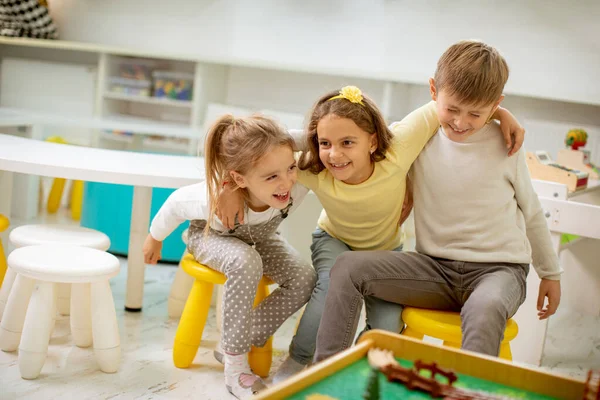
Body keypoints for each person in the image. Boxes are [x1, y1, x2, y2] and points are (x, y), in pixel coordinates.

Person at [217, 85, 526, 382]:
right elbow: (262, 152)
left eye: (348, 143)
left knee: (388, 326)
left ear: (374, 142)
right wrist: (230, 185)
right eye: (325, 143)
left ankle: (359, 370)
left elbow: (448, 105)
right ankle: (300, 359)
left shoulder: (398, 150)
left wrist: (499, 113)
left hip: (385, 252)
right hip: (334, 241)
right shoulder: (313, 167)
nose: (335, 154)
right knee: (327, 287)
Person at [313, 40, 562, 363]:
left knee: (484, 307)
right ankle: (328, 369)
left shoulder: (506, 146)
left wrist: (550, 273)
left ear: (495, 104)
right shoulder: (417, 140)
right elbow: (359, 141)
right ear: (433, 91)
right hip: (433, 270)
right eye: (452, 110)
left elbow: (532, 213)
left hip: (498, 271)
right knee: (346, 267)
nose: (461, 122)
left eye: (476, 113)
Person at [143, 115, 317, 399]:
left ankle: (236, 340)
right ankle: (235, 368)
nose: (285, 182)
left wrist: (282, 141)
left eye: (290, 168)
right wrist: (154, 238)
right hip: (212, 237)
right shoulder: (212, 197)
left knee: (305, 277)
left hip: (260, 238)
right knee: (245, 261)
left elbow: (316, 141)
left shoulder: (294, 187)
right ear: (238, 178)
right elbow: (175, 204)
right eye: (271, 176)